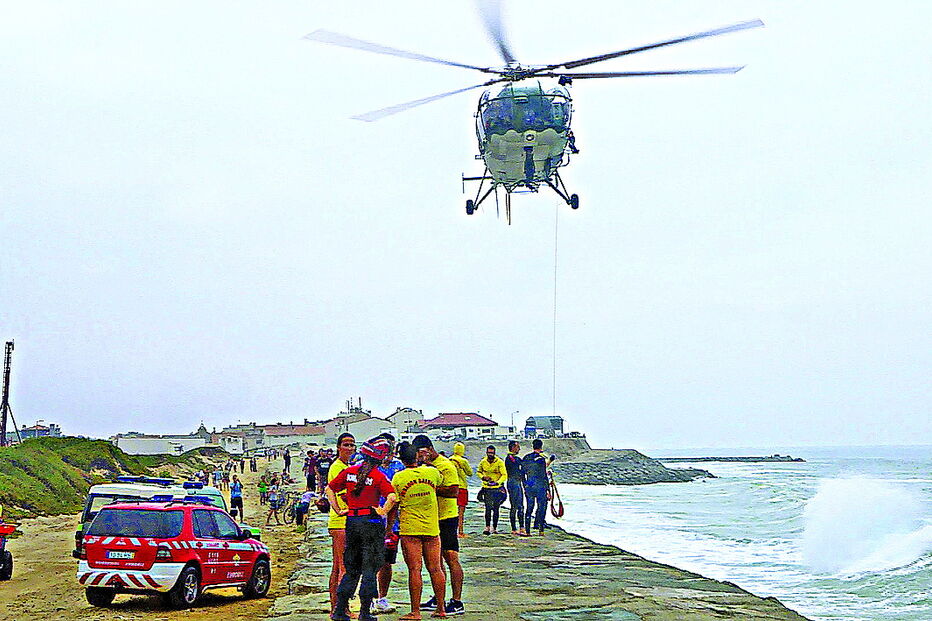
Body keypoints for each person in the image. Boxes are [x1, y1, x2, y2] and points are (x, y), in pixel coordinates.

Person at [326, 437, 397, 621]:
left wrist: (338, 509)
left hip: (352, 522)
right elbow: (392, 498)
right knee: (370, 569)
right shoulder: (378, 476)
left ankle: (340, 610)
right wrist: (382, 511)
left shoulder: (349, 471)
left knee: (351, 569)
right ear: (380, 458)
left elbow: (329, 489)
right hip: (371, 524)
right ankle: (365, 613)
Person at [392, 441, 447, 620]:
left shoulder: (398, 478)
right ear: (417, 456)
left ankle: (415, 611)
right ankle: (441, 608)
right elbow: (440, 479)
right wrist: (425, 462)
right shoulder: (431, 473)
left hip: (410, 528)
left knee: (415, 569)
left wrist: (388, 529)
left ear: (401, 459)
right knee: (436, 568)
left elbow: (394, 505)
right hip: (431, 527)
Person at [412, 435, 464, 616]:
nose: (418, 457)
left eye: (419, 453)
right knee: (435, 561)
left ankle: (457, 601)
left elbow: (454, 491)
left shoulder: (446, 466)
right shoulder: (423, 468)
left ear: (428, 449)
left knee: (451, 557)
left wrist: (431, 488)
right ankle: (438, 596)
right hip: (431, 518)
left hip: (447, 517)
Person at [374, 433, 405, 615]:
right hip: (370, 519)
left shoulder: (399, 467)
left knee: (387, 562)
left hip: (392, 523)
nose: (388, 451)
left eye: (390, 447)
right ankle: (368, 598)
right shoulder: (367, 466)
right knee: (368, 561)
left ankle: (382, 598)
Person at [327, 433, 356, 616]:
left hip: (341, 521)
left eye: (352, 445)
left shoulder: (346, 467)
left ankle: (335, 607)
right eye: (346, 445)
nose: (350, 448)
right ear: (339, 447)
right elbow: (343, 494)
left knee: (337, 566)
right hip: (341, 521)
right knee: (344, 567)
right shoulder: (338, 468)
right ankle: (342, 608)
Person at [476, 445, 507, 535]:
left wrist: (498, 482)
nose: (490, 454)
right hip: (486, 488)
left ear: (494, 453)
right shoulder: (483, 462)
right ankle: (487, 527)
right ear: (486, 453)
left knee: (496, 508)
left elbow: (504, 475)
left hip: (496, 488)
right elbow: (478, 472)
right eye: (489, 453)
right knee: (488, 508)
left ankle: (494, 527)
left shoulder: (499, 462)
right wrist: (482, 477)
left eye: (492, 453)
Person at [522, 439, 550, 535]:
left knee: (529, 508)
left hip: (529, 485)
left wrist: (524, 484)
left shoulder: (526, 457)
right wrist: (548, 490)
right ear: (541, 447)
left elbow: (522, 473)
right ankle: (541, 531)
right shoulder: (541, 459)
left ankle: (528, 531)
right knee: (541, 507)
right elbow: (543, 475)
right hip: (540, 486)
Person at [448, 442, 472, 538]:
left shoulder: (449, 460)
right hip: (462, 487)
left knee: (451, 511)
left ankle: (452, 531)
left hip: (451, 486)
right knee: (461, 511)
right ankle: (460, 531)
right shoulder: (463, 461)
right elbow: (470, 473)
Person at [504, 440, 527, 536]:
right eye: (517, 447)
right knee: (517, 506)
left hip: (515, 482)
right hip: (514, 482)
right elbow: (521, 468)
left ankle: (518, 528)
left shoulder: (513, 458)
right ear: (513, 447)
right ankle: (518, 528)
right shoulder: (511, 458)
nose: (519, 449)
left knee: (516, 506)